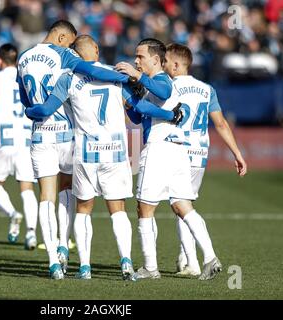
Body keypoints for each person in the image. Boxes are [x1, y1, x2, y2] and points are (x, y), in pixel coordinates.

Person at [26, 35, 180, 281]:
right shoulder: (117, 74)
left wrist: (28, 110)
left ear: (75, 55)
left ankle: (85, 268)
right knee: (117, 209)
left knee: (84, 209)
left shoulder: (68, 78)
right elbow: (141, 108)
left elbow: (45, 110)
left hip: (86, 153)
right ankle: (126, 263)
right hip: (116, 153)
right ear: (97, 50)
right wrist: (168, 114)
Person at [17, 20, 131, 280]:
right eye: (71, 43)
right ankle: (62, 245)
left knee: (46, 195)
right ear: (61, 37)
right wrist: (125, 76)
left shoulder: (23, 57)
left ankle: (53, 263)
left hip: (40, 135)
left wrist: (31, 111)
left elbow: (25, 97)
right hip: (67, 133)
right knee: (68, 190)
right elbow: (93, 70)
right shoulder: (64, 54)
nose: (74, 50)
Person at [116, 38, 222, 281]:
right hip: (177, 151)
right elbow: (136, 114)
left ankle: (150, 267)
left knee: (145, 207)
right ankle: (210, 257)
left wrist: (137, 77)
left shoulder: (162, 80)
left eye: (140, 56)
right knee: (182, 205)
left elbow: (163, 91)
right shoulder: (150, 84)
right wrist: (127, 94)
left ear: (156, 60)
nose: (136, 60)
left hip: (159, 150)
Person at [162, 43, 247, 276]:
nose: (163, 64)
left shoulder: (168, 86)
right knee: (184, 204)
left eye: (166, 61)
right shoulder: (206, 89)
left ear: (177, 65)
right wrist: (237, 153)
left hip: (177, 149)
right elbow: (220, 123)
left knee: (180, 205)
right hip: (199, 153)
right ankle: (185, 258)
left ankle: (197, 261)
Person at [0, 43, 38, 250]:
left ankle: (13, 214)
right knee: (27, 187)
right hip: (25, 138)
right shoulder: (27, 77)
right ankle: (31, 233)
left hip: (3, 138)